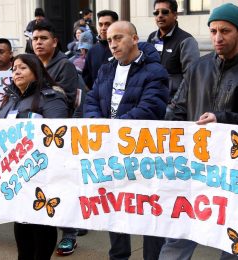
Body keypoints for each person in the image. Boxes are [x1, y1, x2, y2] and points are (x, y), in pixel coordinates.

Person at [158, 3, 238, 260]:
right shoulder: (198, 67)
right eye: (213, 31)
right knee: (178, 236)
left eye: (225, 31)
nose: (218, 38)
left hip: (235, 173)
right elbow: (178, 108)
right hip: (193, 168)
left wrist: (220, 118)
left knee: (234, 241)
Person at [83, 21, 169, 260]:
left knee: (150, 209)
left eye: (118, 38)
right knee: (114, 205)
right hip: (111, 151)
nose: (113, 44)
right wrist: (99, 127)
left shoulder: (155, 71)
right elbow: (91, 101)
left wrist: (112, 130)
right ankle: (118, 256)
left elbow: (151, 108)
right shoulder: (106, 69)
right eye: (110, 40)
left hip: (144, 153)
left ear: (134, 38)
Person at [0, 53, 68, 260]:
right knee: (22, 226)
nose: (16, 71)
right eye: (14, 68)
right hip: (16, 176)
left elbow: (60, 136)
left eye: (22, 68)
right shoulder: (10, 99)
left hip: (41, 175)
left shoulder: (51, 97)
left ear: (36, 71)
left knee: (40, 225)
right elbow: (1, 134)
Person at [147, 0, 200, 119]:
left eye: (165, 12)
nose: (160, 15)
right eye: (156, 13)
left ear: (175, 15)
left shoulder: (186, 41)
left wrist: (173, 105)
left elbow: (191, 77)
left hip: (173, 108)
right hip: (152, 102)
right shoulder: (151, 38)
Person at [32, 20, 79, 116]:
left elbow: (66, 100)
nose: (38, 42)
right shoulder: (30, 65)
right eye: (35, 39)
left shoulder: (65, 65)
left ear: (54, 42)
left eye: (43, 38)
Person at [82, 10, 119, 90]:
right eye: (100, 24)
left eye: (107, 24)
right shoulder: (92, 51)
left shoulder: (123, 49)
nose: (103, 28)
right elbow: (87, 81)